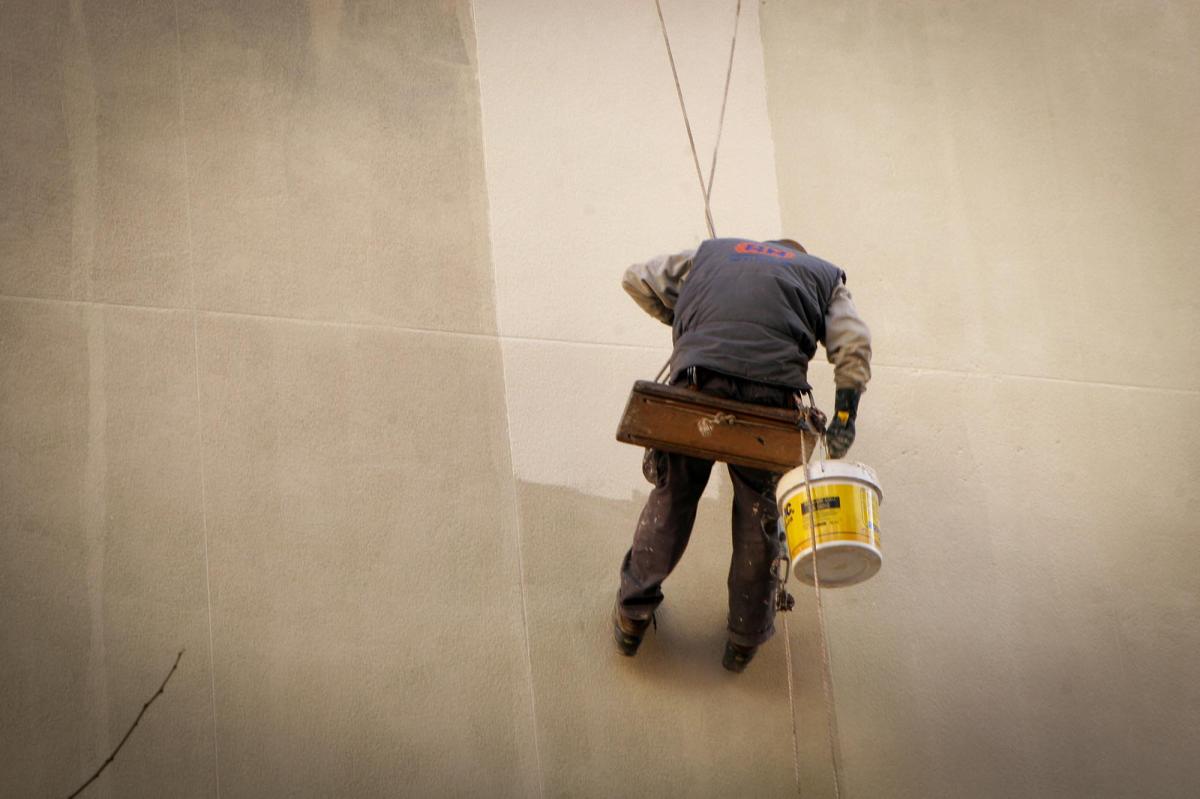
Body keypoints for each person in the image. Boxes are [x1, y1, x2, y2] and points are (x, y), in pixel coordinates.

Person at [612, 237, 872, 672]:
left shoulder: (711, 253)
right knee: (760, 515)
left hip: (698, 381)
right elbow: (854, 342)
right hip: (770, 398)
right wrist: (845, 413)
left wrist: (682, 325)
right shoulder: (823, 275)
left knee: (673, 496)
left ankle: (632, 613)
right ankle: (745, 636)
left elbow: (637, 278)